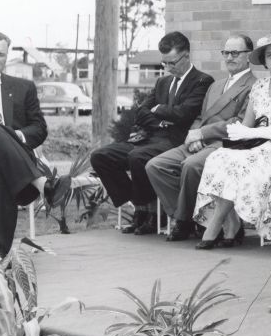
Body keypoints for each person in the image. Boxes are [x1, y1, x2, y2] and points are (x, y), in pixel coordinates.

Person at [91, 32, 213, 235]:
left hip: (176, 142)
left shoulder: (201, 81)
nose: (168, 68)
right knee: (101, 157)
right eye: (164, 63)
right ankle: (140, 205)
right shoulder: (162, 83)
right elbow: (141, 113)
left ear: (186, 56)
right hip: (150, 139)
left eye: (172, 62)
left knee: (136, 157)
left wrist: (158, 110)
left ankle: (152, 214)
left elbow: (184, 114)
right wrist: (161, 121)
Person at [194, 33, 271, 248]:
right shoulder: (259, 86)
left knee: (240, 165)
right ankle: (230, 222)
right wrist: (240, 133)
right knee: (218, 158)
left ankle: (218, 223)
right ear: (264, 61)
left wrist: (253, 134)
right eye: (269, 55)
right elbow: (247, 124)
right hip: (257, 145)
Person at [0, 32, 68, 256]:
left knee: (3, 161)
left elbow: (39, 127)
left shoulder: (23, 87)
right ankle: (41, 184)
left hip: (9, 160)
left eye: (1, 54)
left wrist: (15, 137)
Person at [145, 34, 256, 242]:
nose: (229, 57)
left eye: (235, 53)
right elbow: (200, 116)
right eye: (226, 53)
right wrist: (193, 134)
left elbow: (239, 123)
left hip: (226, 144)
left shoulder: (254, 85)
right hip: (199, 141)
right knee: (155, 166)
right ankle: (192, 218)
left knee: (190, 166)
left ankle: (183, 222)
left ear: (248, 56)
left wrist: (203, 133)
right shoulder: (216, 85)